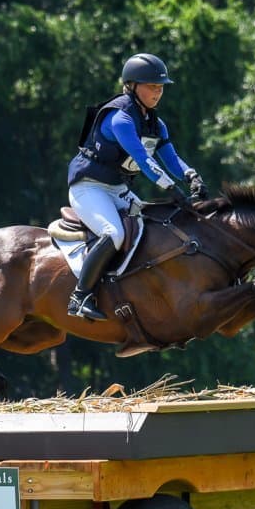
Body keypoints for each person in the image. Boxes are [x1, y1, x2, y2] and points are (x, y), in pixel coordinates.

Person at [66, 53, 208, 321]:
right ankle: (80, 296)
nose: (157, 93)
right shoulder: (120, 118)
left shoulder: (156, 124)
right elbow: (144, 160)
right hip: (89, 187)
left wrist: (191, 176)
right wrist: (171, 189)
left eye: (161, 87)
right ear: (131, 86)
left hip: (116, 188)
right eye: (152, 86)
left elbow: (171, 158)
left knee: (157, 226)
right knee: (114, 233)